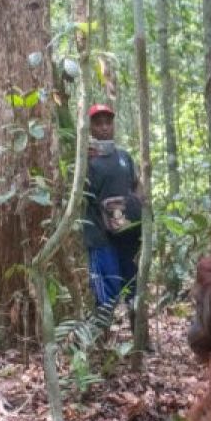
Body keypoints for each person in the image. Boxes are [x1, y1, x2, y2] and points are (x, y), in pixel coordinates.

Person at [83, 104, 143, 328]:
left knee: (134, 287)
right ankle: (101, 340)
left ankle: (139, 338)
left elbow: (137, 186)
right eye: (98, 124)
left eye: (108, 122)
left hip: (128, 235)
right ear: (90, 128)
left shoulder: (125, 157)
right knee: (107, 291)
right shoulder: (85, 161)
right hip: (100, 237)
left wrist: (137, 206)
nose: (104, 128)